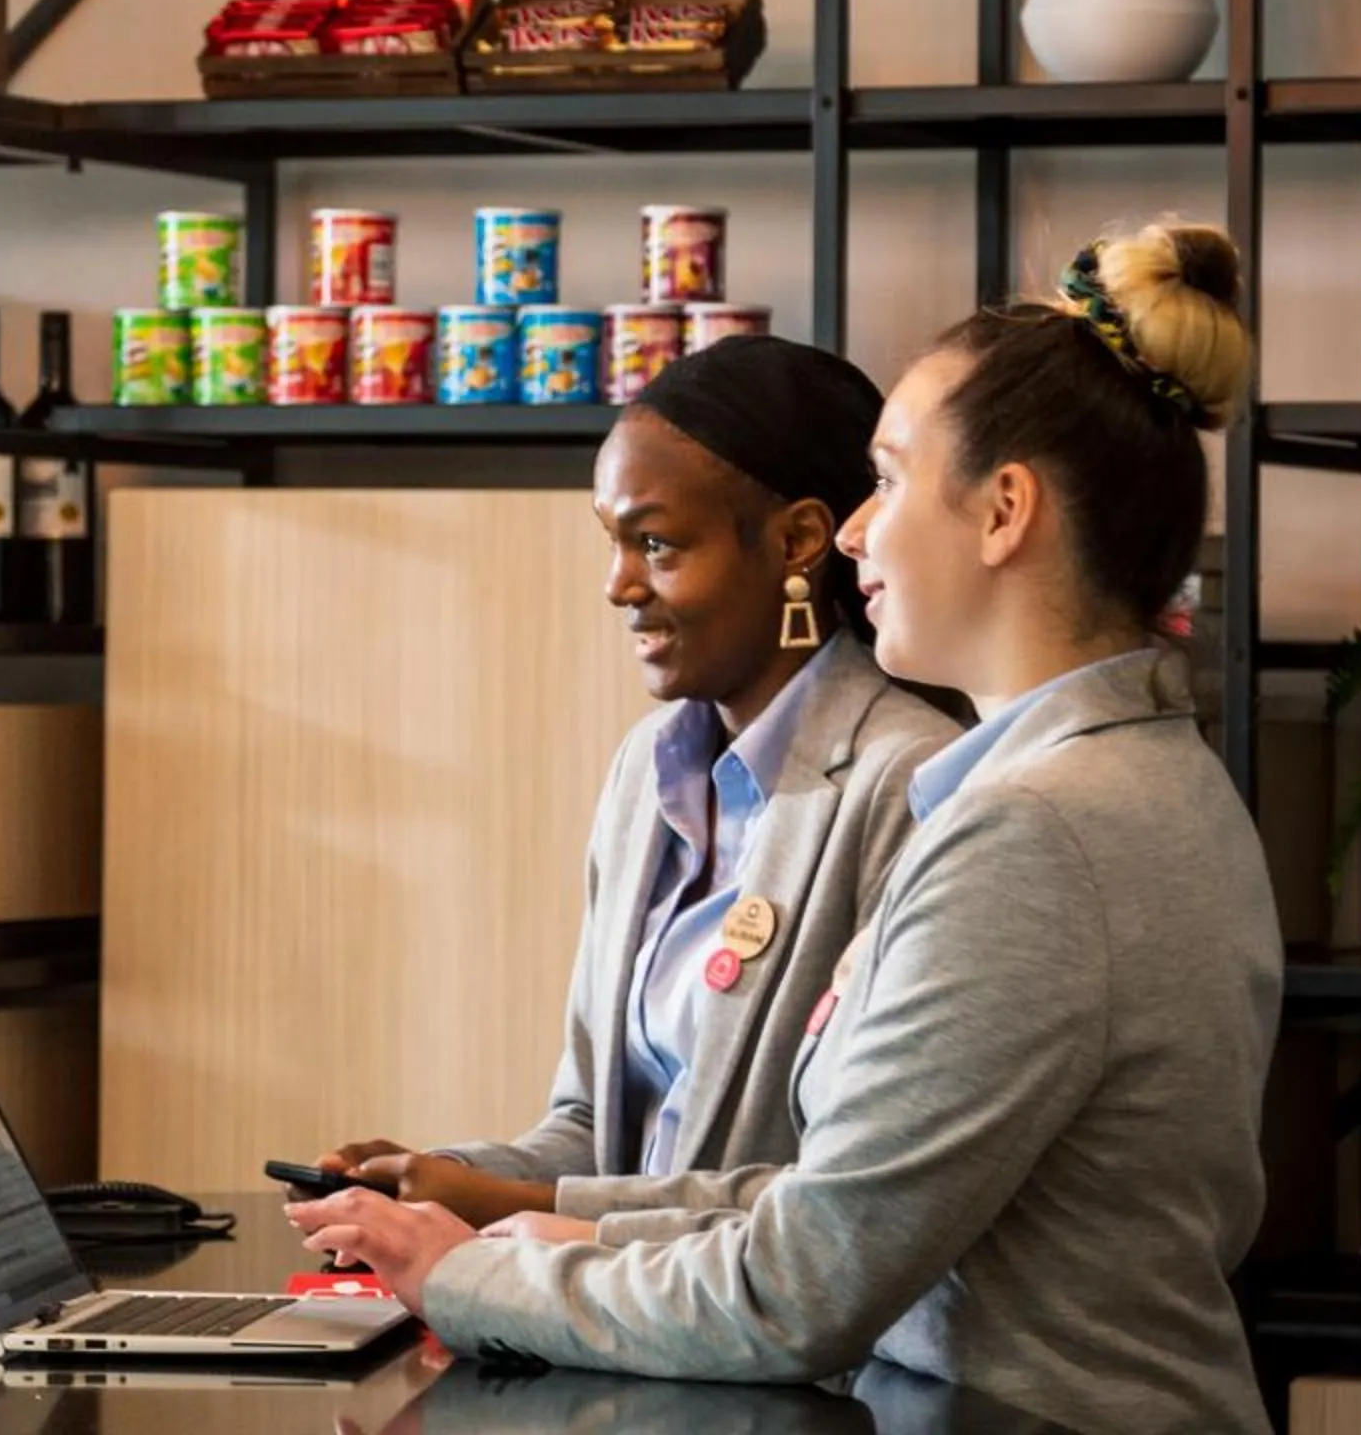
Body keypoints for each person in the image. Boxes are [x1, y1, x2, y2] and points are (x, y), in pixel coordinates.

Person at [291, 221, 1283, 1435]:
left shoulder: (1033, 833)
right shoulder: (1133, 779)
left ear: (1003, 510)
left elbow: (799, 1288)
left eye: (894, 479)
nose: (862, 529)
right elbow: (837, 1196)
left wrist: (458, 1272)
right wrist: (569, 1217)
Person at [309, 336, 958, 1228]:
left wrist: (513, 1204)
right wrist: (436, 1177)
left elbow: (845, 1204)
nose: (619, 586)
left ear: (799, 541)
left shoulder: (910, 781)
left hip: (780, 1347)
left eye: (656, 545)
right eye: (612, 543)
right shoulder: (646, 771)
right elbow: (593, 1132)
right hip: (626, 1316)